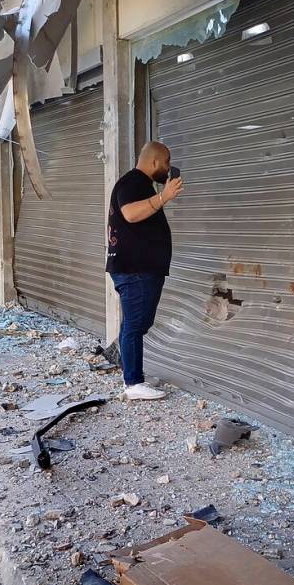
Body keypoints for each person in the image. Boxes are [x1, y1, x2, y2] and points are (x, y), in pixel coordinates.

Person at [105, 141, 183, 400]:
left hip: (137, 269)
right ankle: (133, 383)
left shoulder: (138, 184)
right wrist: (164, 197)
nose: (168, 167)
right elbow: (130, 214)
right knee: (136, 325)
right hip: (136, 270)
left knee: (134, 323)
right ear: (154, 161)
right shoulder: (134, 182)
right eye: (167, 161)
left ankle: (131, 371)